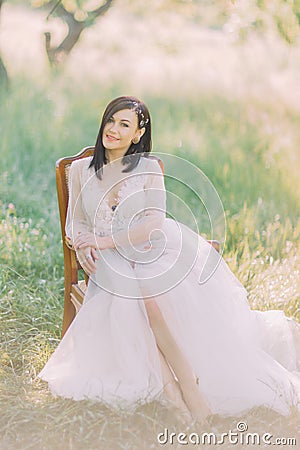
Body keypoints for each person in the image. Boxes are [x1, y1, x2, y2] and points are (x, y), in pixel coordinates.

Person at [37, 96, 300, 424]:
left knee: (150, 302)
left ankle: (188, 387)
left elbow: (152, 224)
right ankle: (175, 395)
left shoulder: (148, 168)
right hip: (108, 260)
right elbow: (75, 223)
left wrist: (102, 239)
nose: (113, 130)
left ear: (137, 134)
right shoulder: (79, 170)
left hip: (149, 248)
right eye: (110, 121)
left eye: (124, 125)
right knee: (136, 297)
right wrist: (84, 245)